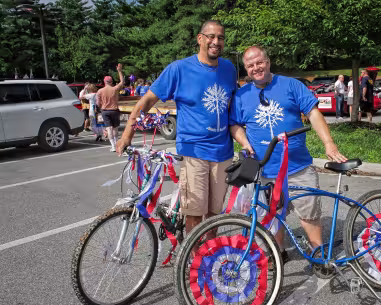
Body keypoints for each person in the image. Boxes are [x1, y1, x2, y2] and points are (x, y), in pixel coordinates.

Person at [116, 20, 237, 236]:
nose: (216, 41)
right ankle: (191, 261)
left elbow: (233, 106)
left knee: (214, 214)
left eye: (220, 37)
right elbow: (146, 102)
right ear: (200, 38)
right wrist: (127, 134)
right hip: (193, 151)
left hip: (223, 152)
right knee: (193, 212)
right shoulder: (179, 69)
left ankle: (207, 258)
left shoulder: (228, 68)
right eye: (211, 36)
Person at [229, 45, 347, 261]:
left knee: (309, 215)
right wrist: (244, 142)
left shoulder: (291, 85)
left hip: (298, 166)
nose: (256, 68)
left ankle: (318, 256)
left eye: (259, 62)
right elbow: (234, 124)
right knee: (272, 215)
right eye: (250, 65)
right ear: (246, 69)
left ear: (268, 61)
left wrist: (329, 144)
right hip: (265, 170)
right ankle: (277, 255)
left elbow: (313, 113)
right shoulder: (241, 95)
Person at [96, 63, 124, 151]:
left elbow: (98, 103)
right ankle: (116, 144)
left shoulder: (100, 91)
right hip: (115, 110)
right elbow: (122, 82)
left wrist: (100, 108)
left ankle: (112, 146)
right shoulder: (114, 89)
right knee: (115, 128)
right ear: (111, 82)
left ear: (104, 82)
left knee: (109, 128)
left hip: (105, 111)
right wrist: (119, 71)